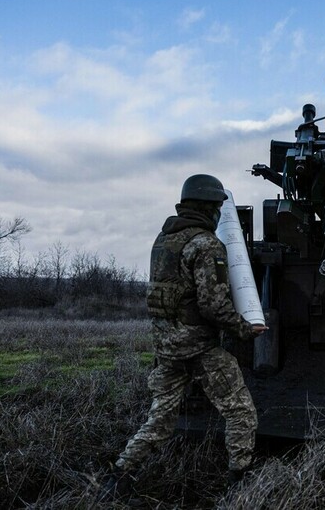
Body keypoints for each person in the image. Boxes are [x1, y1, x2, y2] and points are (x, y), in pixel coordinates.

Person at [99, 174, 267, 501]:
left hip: (167, 348)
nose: (219, 213)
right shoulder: (207, 244)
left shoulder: (163, 241)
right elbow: (213, 305)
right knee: (240, 411)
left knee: (159, 421)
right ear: (208, 208)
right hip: (200, 349)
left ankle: (118, 477)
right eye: (217, 207)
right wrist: (246, 330)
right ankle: (240, 481)